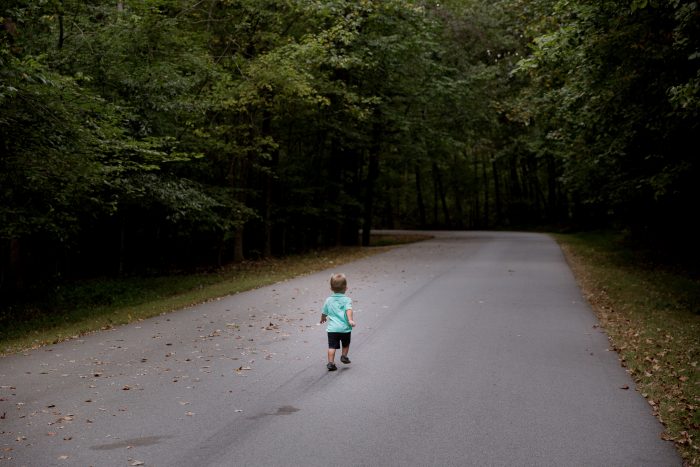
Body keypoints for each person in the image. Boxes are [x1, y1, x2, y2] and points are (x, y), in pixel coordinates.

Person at [320, 273, 355, 371]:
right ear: (346, 288)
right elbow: (349, 310)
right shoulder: (347, 300)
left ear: (331, 288)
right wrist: (350, 320)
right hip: (345, 329)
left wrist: (323, 318)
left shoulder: (328, 300)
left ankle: (331, 363)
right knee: (345, 344)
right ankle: (344, 356)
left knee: (332, 346)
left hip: (332, 329)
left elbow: (324, 312)